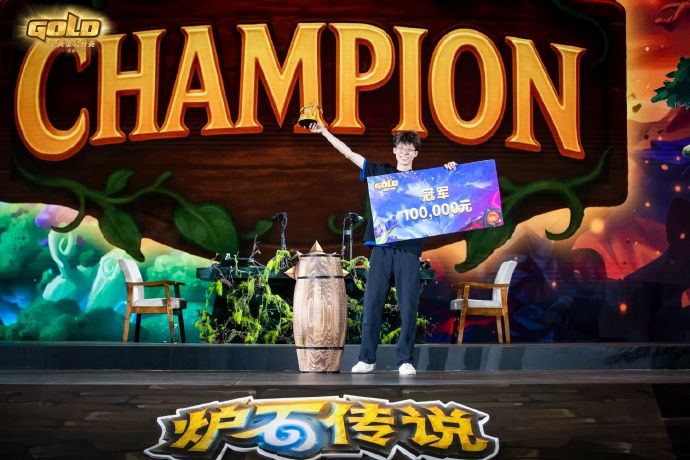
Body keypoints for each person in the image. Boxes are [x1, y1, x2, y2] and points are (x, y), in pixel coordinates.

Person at [309, 122, 456, 375]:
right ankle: (366, 359)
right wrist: (324, 132)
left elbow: (453, 193)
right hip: (381, 248)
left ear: (416, 154)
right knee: (372, 304)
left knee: (408, 307)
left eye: (410, 149)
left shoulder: (425, 181)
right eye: (401, 147)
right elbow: (349, 154)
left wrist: (452, 171)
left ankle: (405, 360)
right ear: (395, 150)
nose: (405, 152)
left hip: (408, 250)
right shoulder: (381, 173)